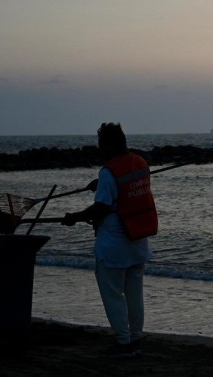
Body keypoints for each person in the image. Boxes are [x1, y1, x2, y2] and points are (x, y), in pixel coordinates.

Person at [62, 122, 156, 356]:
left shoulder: (108, 171)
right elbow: (125, 188)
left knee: (113, 294)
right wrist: (101, 184)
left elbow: (102, 207)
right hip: (138, 239)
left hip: (114, 244)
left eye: (102, 145)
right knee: (134, 295)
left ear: (111, 145)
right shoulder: (140, 162)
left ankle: (123, 343)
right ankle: (135, 339)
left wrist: (74, 217)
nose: (100, 150)